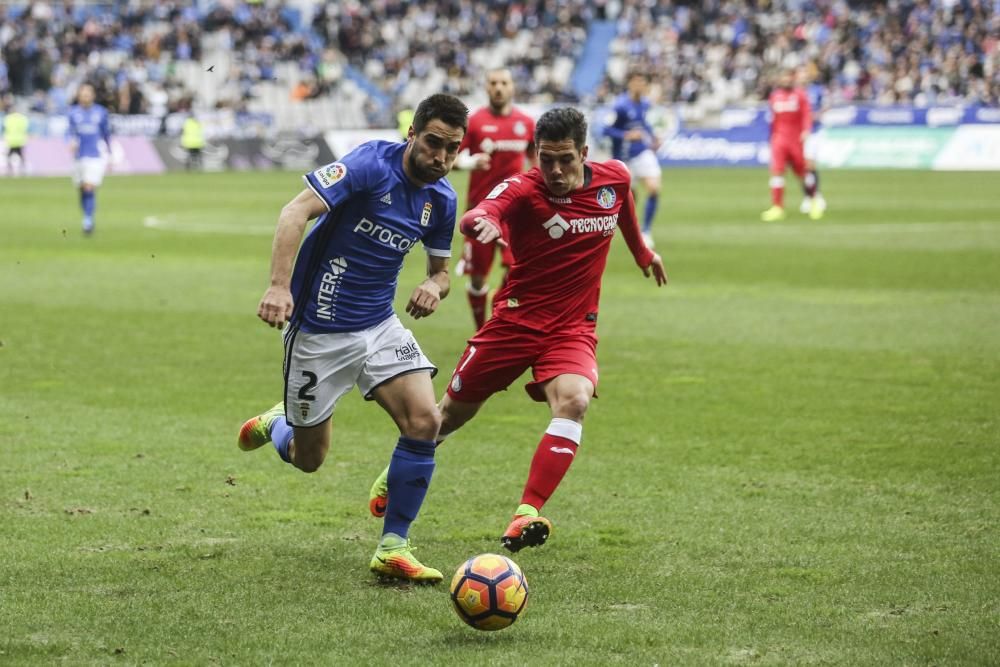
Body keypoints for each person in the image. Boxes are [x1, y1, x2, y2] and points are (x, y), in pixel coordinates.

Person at [369, 107, 667, 553]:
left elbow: (624, 209)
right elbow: (476, 214)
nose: (555, 170)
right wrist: (483, 223)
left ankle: (525, 513)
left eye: (565, 159)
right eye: (546, 158)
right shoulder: (524, 188)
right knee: (445, 417)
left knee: (575, 401)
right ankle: (395, 475)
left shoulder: (615, 179)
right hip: (514, 323)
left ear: (584, 153)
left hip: (572, 328)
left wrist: (643, 254)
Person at [237, 94, 469, 583]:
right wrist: (279, 286)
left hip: (380, 325)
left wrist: (433, 285)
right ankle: (278, 424)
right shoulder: (369, 164)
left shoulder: (442, 199)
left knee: (424, 421)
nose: (442, 159)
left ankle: (393, 546)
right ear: (413, 133)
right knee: (309, 459)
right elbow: (294, 212)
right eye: (433, 144)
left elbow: (443, 273)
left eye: (453, 150)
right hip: (319, 332)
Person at [454, 67, 537, 330]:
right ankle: (482, 329)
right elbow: (451, 158)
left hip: (514, 214)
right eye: (493, 83)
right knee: (478, 278)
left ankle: (498, 306)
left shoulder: (526, 123)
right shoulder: (475, 122)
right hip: (480, 212)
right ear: (486, 87)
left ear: (512, 87)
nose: (498, 87)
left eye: (503, 82)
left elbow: (536, 162)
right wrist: (468, 163)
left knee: (518, 269)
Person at [602, 71, 662, 248]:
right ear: (629, 84)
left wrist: (653, 136)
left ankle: (646, 231)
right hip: (624, 157)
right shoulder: (619, 106)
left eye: (642, 82)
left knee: (654, 188)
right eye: (636, 82)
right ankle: (632, 232)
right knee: (630, 199)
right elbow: (605, 130)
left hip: (642, 152)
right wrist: (626, 135)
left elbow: (643, 123)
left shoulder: (644, 104)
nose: (639, 86)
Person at [760, 68, 818, 222]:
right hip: (779, 141)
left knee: (803, 173)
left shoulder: (800, 95)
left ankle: (813, 202)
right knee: (777, 173)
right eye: (783, 77)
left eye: (788, 77)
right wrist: (771, 137)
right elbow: (773, 120)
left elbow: (806, 115)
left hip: (796, 140)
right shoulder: (775, 96)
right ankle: (777, 207)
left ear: (792, 79)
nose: (786, 80)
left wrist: (806, 130)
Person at [67, 83, 112, 235]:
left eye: (87, 94)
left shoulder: (101, 112)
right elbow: (69, 132)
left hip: (94, 156)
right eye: (82, 94)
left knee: (89, 187)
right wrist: (70, 142)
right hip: (79, 157)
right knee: (82, 189)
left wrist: (109, 151)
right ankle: (87, 216)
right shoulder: (73, 113)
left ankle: (88, 220)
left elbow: (106, 133)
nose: (85, 96)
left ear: (92, 95)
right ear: (79, 96)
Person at [798, 64, 827, 219]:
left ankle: (814, 196)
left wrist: (817, 115)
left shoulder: (817, 90)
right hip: (799, 133)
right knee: (802, 167)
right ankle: (809, 196)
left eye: (805, 73)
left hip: (814, 132)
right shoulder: (795, 93)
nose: (803, 76)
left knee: (810, 164)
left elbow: (825, 106)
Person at [3, 100, 29, 176]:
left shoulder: (8, 118)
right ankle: (23, 170)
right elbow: (25, 128)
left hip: (11, 140)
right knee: (21, 156)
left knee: (9, 156)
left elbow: (5, 128)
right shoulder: (22, 118)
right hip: (19, 140)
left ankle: (10, 170)